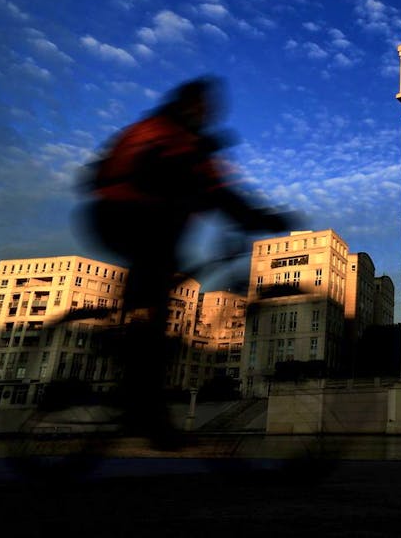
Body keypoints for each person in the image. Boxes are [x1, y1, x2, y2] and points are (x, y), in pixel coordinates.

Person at [79, 75, 300, 447]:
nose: (206, 114)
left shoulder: (190, 144)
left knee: (161, 280)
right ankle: (143, 400)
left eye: (208, 109)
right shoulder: (162, 133)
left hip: (148, 221)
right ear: (186, 105)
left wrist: (261, 216)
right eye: (201, 107)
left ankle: (134, 347)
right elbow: (212, 190)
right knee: (155, 284)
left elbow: (223, 192)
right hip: (118, 215)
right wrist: (253, 215)